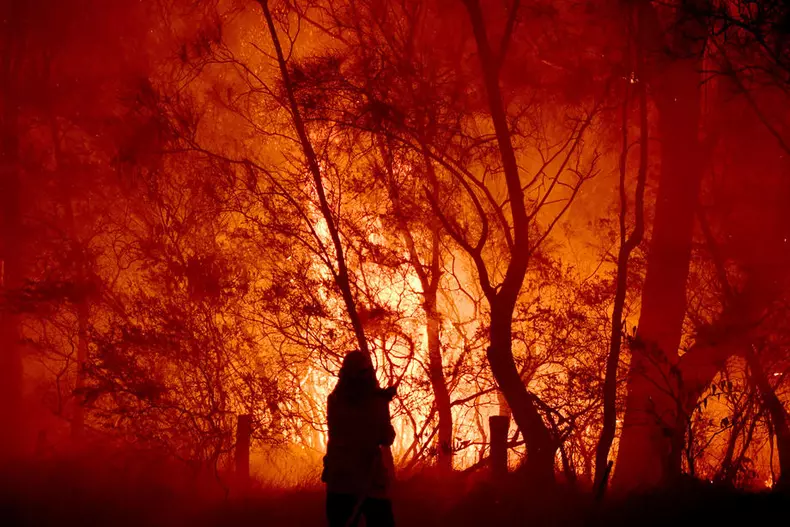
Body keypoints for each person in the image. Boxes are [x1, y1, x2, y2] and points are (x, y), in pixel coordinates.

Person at [322, 350, 397, 527]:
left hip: (339, 478)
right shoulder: (377, 401)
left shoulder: (334, 399)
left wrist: (380, 398)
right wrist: (382, 402)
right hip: (369, 479)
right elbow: (385, 437)